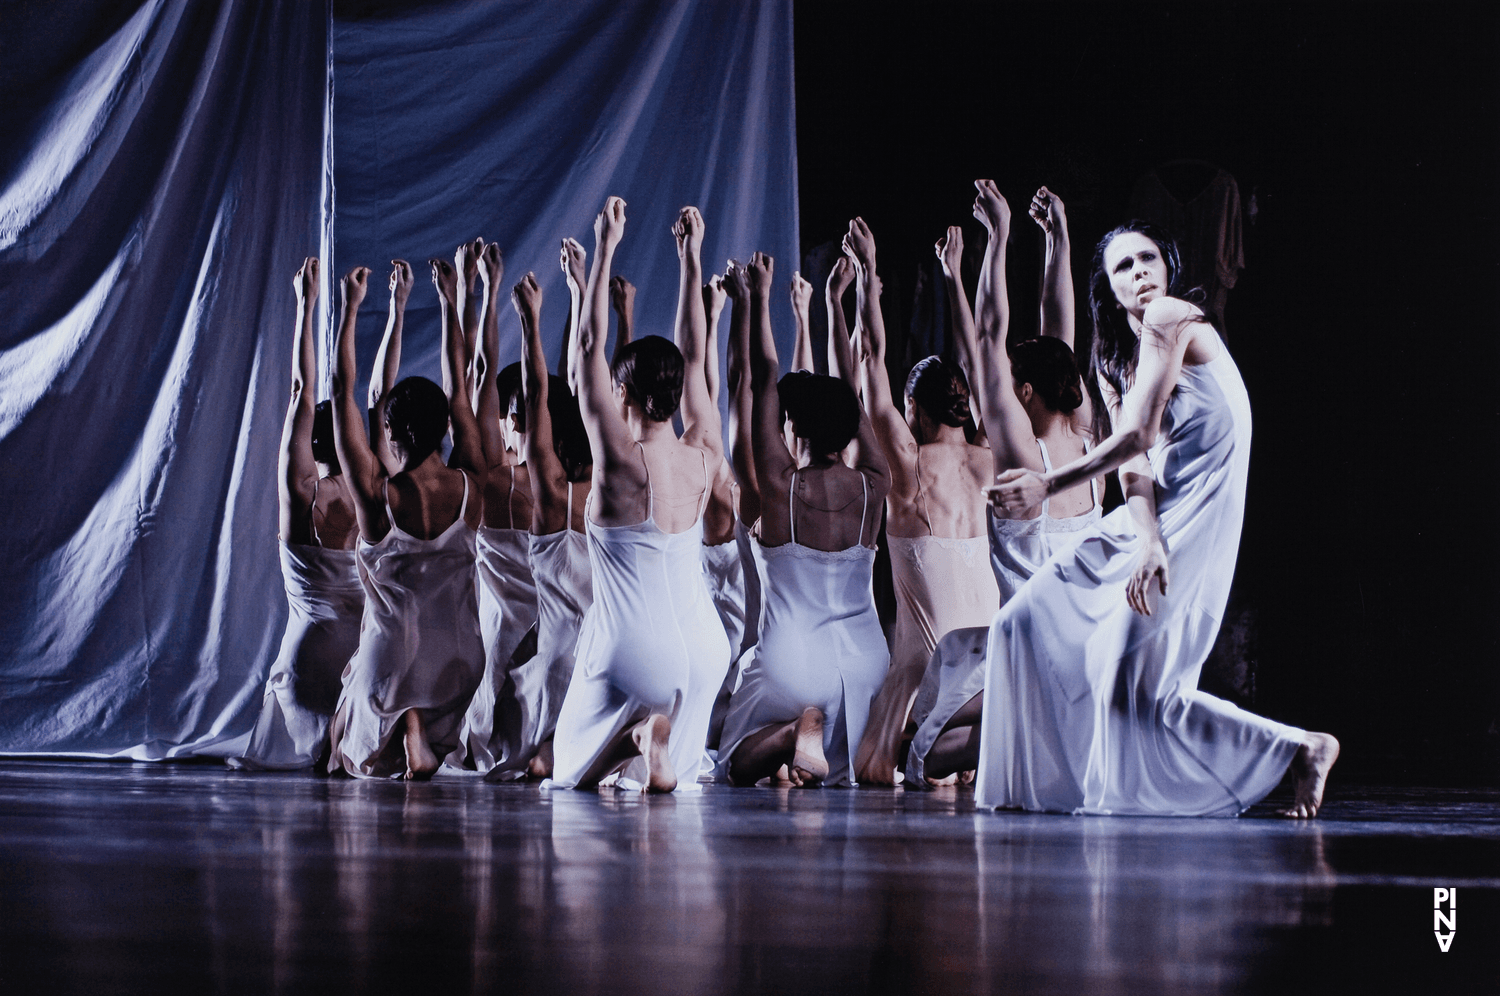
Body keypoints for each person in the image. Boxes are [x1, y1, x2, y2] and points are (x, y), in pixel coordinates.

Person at [978, 218, 1339, 817]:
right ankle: (1039, 791)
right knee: (1017, 625)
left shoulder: (1171, 317)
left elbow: (1140, 433)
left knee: (1134, 690)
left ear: (1168, 269)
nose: (1140, 271)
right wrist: (1146, 539)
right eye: (1124, 265)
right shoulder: (1110, 359)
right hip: (1153, 518)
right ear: (1108, 287)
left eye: (1149, 258)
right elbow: (1134, 463)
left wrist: (1047, 485)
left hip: (1199, 516)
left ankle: (1301, 747)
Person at [905, 184, 1105, 786]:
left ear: (1024, 392)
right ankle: (1044, 722)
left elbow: (988, 338)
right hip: (1082, 643)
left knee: (922, 757)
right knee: (955, 650)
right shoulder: (1088, 448)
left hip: (1034, 652)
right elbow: (1060, 337)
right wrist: (1058, 239)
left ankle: (1033, 721)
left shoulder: (1023, 457)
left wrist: (998, 237)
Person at [549, 199, 731, 792]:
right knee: (669, 790)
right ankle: (648, 741)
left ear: (622, 390)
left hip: (633, 648)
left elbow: (585, 353)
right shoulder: (704, 451)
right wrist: (690, 259)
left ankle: (636, 736)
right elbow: (696, 357)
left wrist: (602, 252)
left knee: (570, 764)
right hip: (705, 649)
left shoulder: (621, 461)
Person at [716, 250, 892, 787]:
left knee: (734, 763)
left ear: (793, 426)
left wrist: (755, 299)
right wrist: (839, 304)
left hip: (791, 660)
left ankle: (796, 729)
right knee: (843, 768)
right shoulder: (875, 483)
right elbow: (852, 399)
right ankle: (822, 746)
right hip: (866, 663)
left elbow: (757, 381)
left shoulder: (779, 487)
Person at [843, 215, 1000, 787]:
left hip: (929, 673)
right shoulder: (990, 458)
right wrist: (954, 276)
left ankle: (917, 741)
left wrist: (868, 273)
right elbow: (980, 357)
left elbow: (871, 363)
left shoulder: (908, 469)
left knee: (868, 767)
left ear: (915, 409)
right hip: (988, 666)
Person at [326, 251, 487, 780]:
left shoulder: (378, 498)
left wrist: (352, 308)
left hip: (392, 662)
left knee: (345, 745)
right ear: (446, 427)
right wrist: (450, 300)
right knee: (423, 731)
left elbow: (342, 391)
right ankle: (421, 732)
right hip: (460, 663)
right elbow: (460, 387)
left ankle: (404, 724)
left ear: (391, 433)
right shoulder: (473, 486)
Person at [233, 257, 363, 770]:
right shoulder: (374, 492)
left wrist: (305, 305)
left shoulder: (302, 492)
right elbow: (366, 395)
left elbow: (301, 392)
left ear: (311, 444)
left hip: (308, 661)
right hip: (361, 660)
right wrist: (358, 310)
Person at [491, 262, 595, 781]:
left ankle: (546, 746)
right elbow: (587, 388)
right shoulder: (612, 492)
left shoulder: (547, 492)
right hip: (601, 656)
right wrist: (585, 295)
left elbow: (537, 397)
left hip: (554, 659)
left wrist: (531, 324)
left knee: (510, 709)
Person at [452, 241, 542, 773]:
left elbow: (476, 376)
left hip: (498, 632)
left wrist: (479, 293)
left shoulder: (492, 480)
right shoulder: (571, 487)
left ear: (511, 422)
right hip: (553, 636)